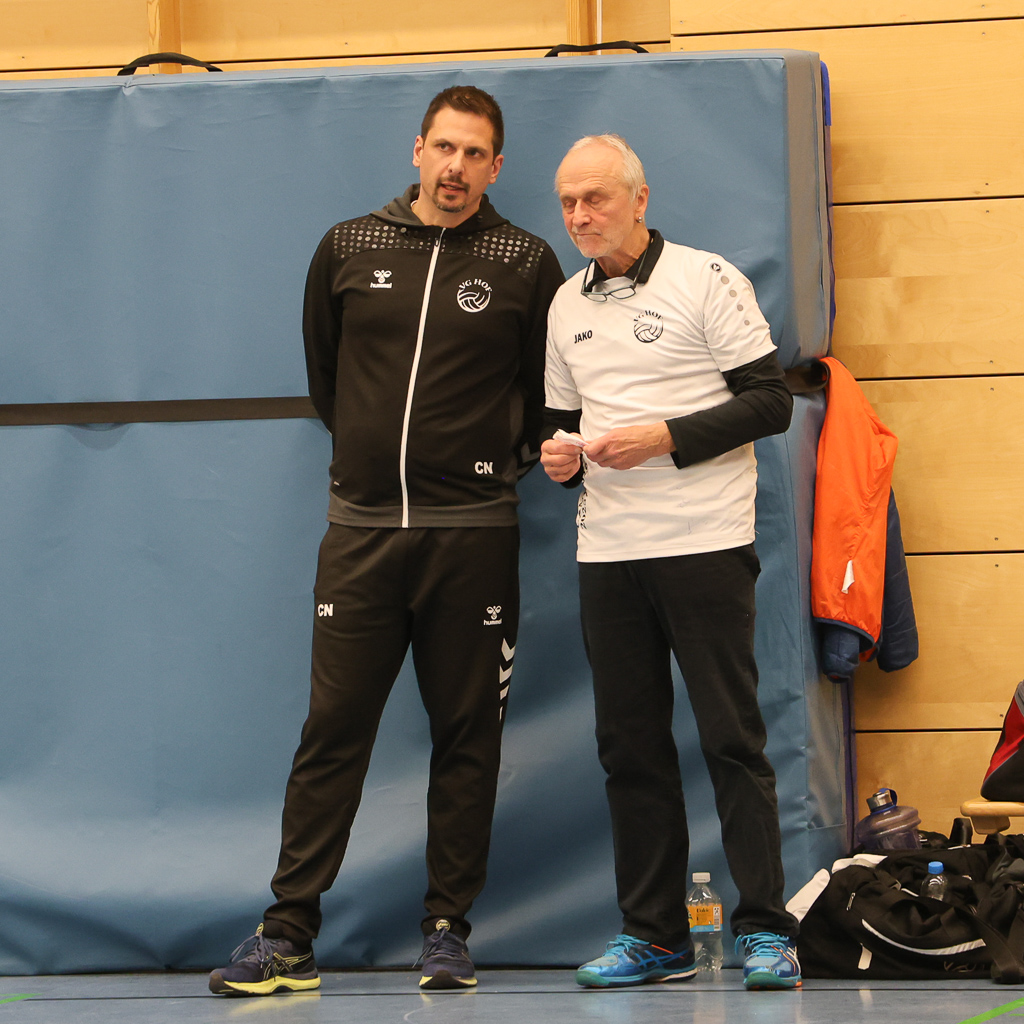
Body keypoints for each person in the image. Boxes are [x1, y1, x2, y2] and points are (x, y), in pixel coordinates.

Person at [209, 86, 563, 996]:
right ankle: (288, 933)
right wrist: (374, 472)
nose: (456, 167)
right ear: (417, 149)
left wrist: (485, 472)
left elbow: (549, 394)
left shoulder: (526, 262)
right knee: (332, 733)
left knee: (467, 738)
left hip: (472, 540)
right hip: (361, 535)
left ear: (495, 167)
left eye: (475, 154)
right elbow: (328, 381)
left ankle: (447, 931)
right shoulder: (348, 246)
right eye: (444, 147)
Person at [541, 134, 801, 991]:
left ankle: (766, 931)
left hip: (703, 543)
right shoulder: (565, 304)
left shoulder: (706, 278)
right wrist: (557, 456)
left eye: (596, 198)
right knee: (630, 748)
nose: (580, 215)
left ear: (640, 198)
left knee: (731, 739)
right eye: (569, 202)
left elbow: (771, 402)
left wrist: (665, 438)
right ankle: (654, 938)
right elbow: (560, 423)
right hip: (608, 552)